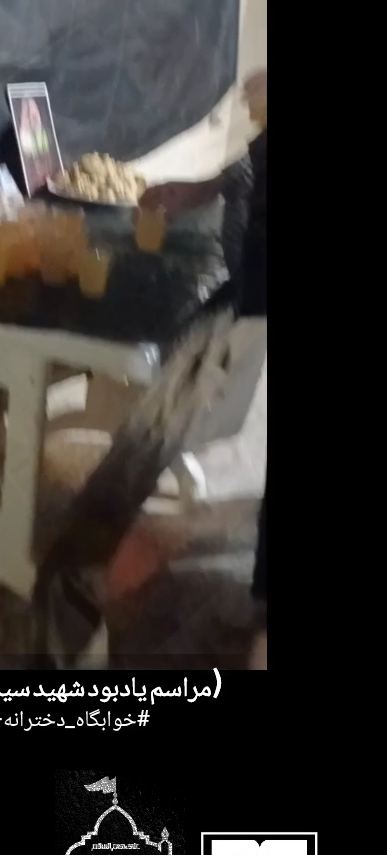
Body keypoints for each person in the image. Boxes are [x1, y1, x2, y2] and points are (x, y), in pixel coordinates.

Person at [140, 69, 267, 665]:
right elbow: (237, 174)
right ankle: (258, 615)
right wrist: (182, 192)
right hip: (251, 297)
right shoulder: (259, 140)